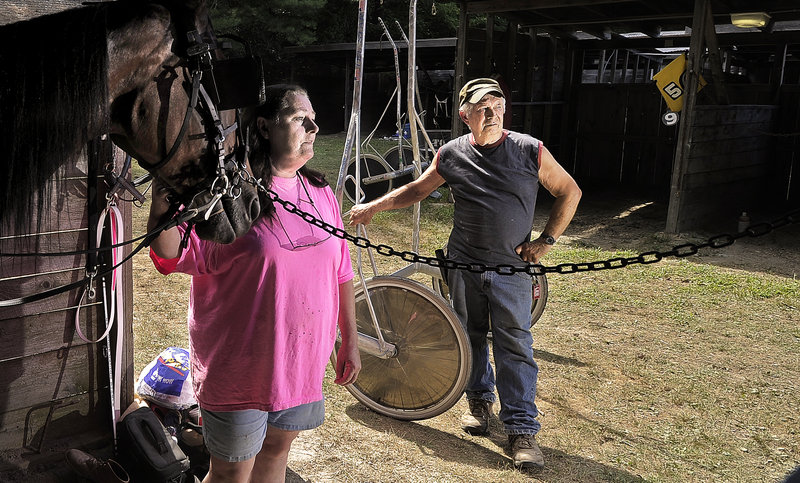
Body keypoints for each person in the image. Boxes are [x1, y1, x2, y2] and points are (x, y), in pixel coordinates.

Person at [349, 77, 581, 469]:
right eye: (481, 107)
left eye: (496, 105)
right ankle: (479, 404)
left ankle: (522, 428)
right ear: (464, 114)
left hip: (511, 270)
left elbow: (568, 191)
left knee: (515, 346)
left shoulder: (530, 150)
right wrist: (375, 206)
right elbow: (417, 190)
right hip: (462, 265)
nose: (490, 113)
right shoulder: (451, 154)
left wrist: (546, 241)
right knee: (469, 337)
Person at [147, 84, 361, 483]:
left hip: (300, 364)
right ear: (264, 126)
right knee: (230, 474)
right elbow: (172, 253)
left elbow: (341, 271)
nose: (314, 126)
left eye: (312, 117)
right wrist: (164, 191)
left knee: (276, 456)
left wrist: (349, 339)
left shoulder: (321, 192)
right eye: (299, 118)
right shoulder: (232, 196)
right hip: (240, 370)